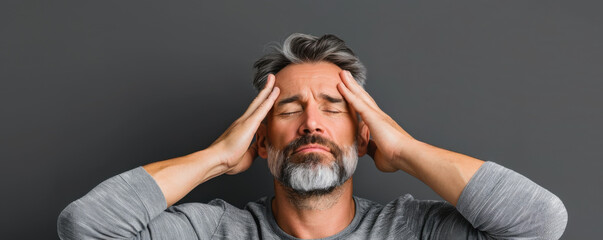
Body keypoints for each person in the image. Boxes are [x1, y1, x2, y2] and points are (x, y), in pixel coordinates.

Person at [57, 33, 568, 239]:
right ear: (260, 139)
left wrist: (404, 150)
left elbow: (541, 223)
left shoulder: (411, 230)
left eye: (333, 107)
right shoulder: (216, 231)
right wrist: (215, 158)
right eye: (289, 109)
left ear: (363, 135)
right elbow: (87, 227)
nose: (312, 123)